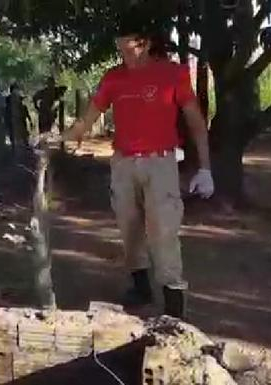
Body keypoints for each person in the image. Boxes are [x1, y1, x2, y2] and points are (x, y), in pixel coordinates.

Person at [64, 21, 214, 319]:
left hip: (160, 164)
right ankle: (141, 288)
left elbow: (196, 121)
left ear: (145, 43)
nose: (123, 55)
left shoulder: (173, 75)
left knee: (163, 231)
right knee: (129, 228)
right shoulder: (114, 78)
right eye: (119, 49)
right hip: (123, 163)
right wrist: (61, 138)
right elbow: (88, 119)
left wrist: (205, 168)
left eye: (127, 48)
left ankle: (173, 303)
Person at [5, 83, 33, 156]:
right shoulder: (8, 99)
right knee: (14, 135)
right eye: (16, 89)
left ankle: (23, 148)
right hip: (13, 119)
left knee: (23, 134)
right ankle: (16, 150)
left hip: (19, 119)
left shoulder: (18, 102)